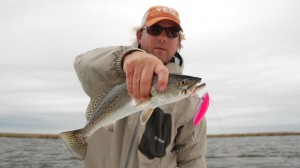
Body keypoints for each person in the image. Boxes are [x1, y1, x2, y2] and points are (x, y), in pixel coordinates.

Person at [74, 5, 207, 168]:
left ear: (179, 43)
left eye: (172, 32)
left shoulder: (190, 103)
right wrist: (123, 59)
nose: (163, 37)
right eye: (155, 29)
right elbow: (81, 64)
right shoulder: (111, 73)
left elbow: (193, 159)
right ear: (139, 35)